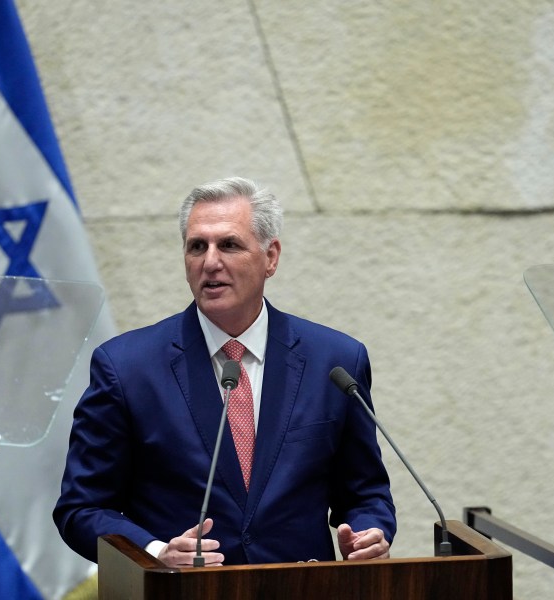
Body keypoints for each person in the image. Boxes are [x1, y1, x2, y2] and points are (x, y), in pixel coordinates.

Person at [53, 176, 396, 567]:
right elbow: (81, 509)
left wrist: (371, 532)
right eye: (197, 246)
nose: (210, 262)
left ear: (271, 257)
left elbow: (365, 492)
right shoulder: (127, 367)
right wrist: (156, 553)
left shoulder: (335, 361)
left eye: (229, 245)